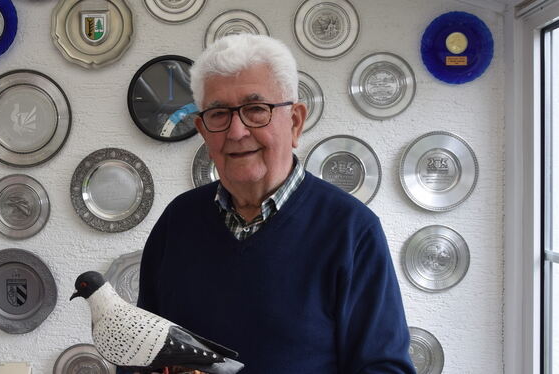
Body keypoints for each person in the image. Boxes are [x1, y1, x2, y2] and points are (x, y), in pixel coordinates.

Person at [137, 34, 415, 374]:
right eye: (220, 113)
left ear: (295, 121)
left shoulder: (352, 230)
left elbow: (384, 368)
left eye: (256, 110)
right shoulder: (176, 222)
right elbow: (140, 350)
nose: (237, 131)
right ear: (203, 130)